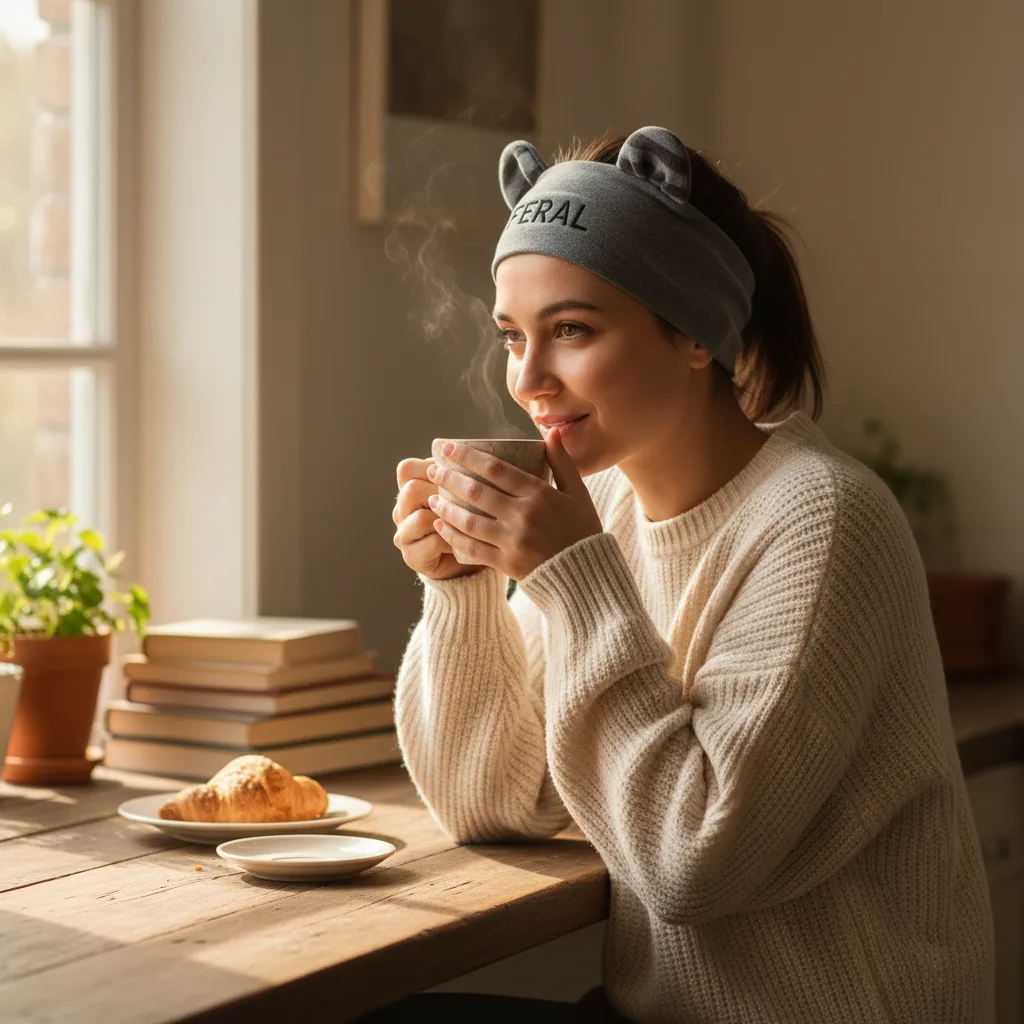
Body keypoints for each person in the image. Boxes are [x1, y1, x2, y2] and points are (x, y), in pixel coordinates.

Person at [375, 126, 994, 1024]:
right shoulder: (614, 512)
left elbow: (690, 863)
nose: (529, 380)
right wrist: (462, 589)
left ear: (696, 333)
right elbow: (496, 805)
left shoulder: (823, 519)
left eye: (572, 330)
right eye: (513, 337)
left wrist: (572, 577)